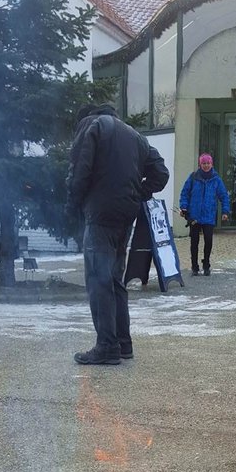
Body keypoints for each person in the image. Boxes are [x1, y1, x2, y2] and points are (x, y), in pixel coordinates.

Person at [67, 104, 169, 365]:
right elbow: (161, 173)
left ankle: (106, 347)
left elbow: (80, 171)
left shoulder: (92, 126)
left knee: (99, 279)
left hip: (100, 214)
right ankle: (123, 344)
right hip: (126, 215)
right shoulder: (136, 136)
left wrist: (73, 205)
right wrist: (139, 193)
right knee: (114, 279)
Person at [178, 153, 230, 275]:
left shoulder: (216, 179)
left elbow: (223, 196)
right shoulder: (193, 177)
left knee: (208, 240)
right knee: (194, 242)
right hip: (194, 215)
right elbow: (185, 193)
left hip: (209, 215)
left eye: (208, 163)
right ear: (200, 164)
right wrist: (184, 207)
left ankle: (206, 264)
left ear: (211, 164)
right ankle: (194, 266)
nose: (206, 165)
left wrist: (225, 211)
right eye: (204, 163)